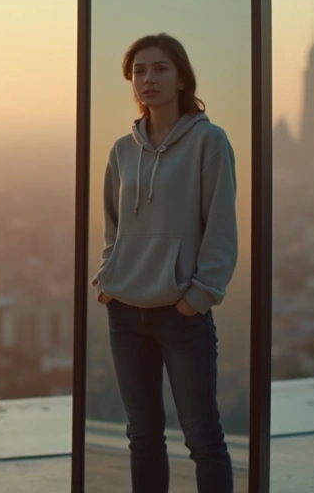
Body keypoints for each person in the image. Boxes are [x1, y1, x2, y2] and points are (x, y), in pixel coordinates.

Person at [92, 32, 237, 492]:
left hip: (181, 314)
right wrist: (107, 280)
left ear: (182, 79)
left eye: (160, 69)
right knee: (143, 437)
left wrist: (198, 297)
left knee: (203, 439)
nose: (148, 78)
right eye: (139, 71)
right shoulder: (122, 149)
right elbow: (112, 225)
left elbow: (221, 226)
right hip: (125, 313)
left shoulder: (208, 141)